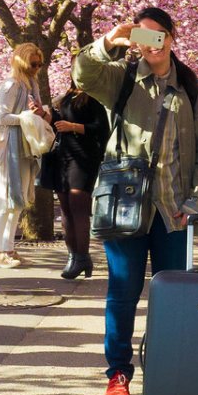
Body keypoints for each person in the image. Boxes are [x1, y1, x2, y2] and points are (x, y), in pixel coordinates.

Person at [72, 6, 198, 395]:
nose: (150, 44)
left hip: (174, 211)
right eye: (142, 36)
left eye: (158, 36)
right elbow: (81, 73)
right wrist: (110, 41)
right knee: (123, 292)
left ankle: (167, 368)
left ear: (172, 38)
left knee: (174, 296)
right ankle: (118, 371)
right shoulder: (120, 78)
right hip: (125, 205)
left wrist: (197, 201)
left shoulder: (192, 88)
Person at [40, 84, 111, 279]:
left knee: (77, 203)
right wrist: (44, 115)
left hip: (85, 156)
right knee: (65, 208)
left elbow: (103, 129)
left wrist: (73, 127)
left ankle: (82, 256)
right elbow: (58, 122)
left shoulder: (94, 96)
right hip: (63, 155)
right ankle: (73, 256)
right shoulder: (66, 97)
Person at [0, 43, 48, 268]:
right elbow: (2, 117)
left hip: (24, 147)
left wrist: (38, 114)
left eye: (39, 64)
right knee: (4, 201)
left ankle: (8, 248)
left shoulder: (31, 84)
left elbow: (36, 112)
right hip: (6, 148)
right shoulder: (11, 84)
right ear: (21, 61)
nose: (36, 68)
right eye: (33, 64)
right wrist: (25, 117)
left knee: (18, 201)